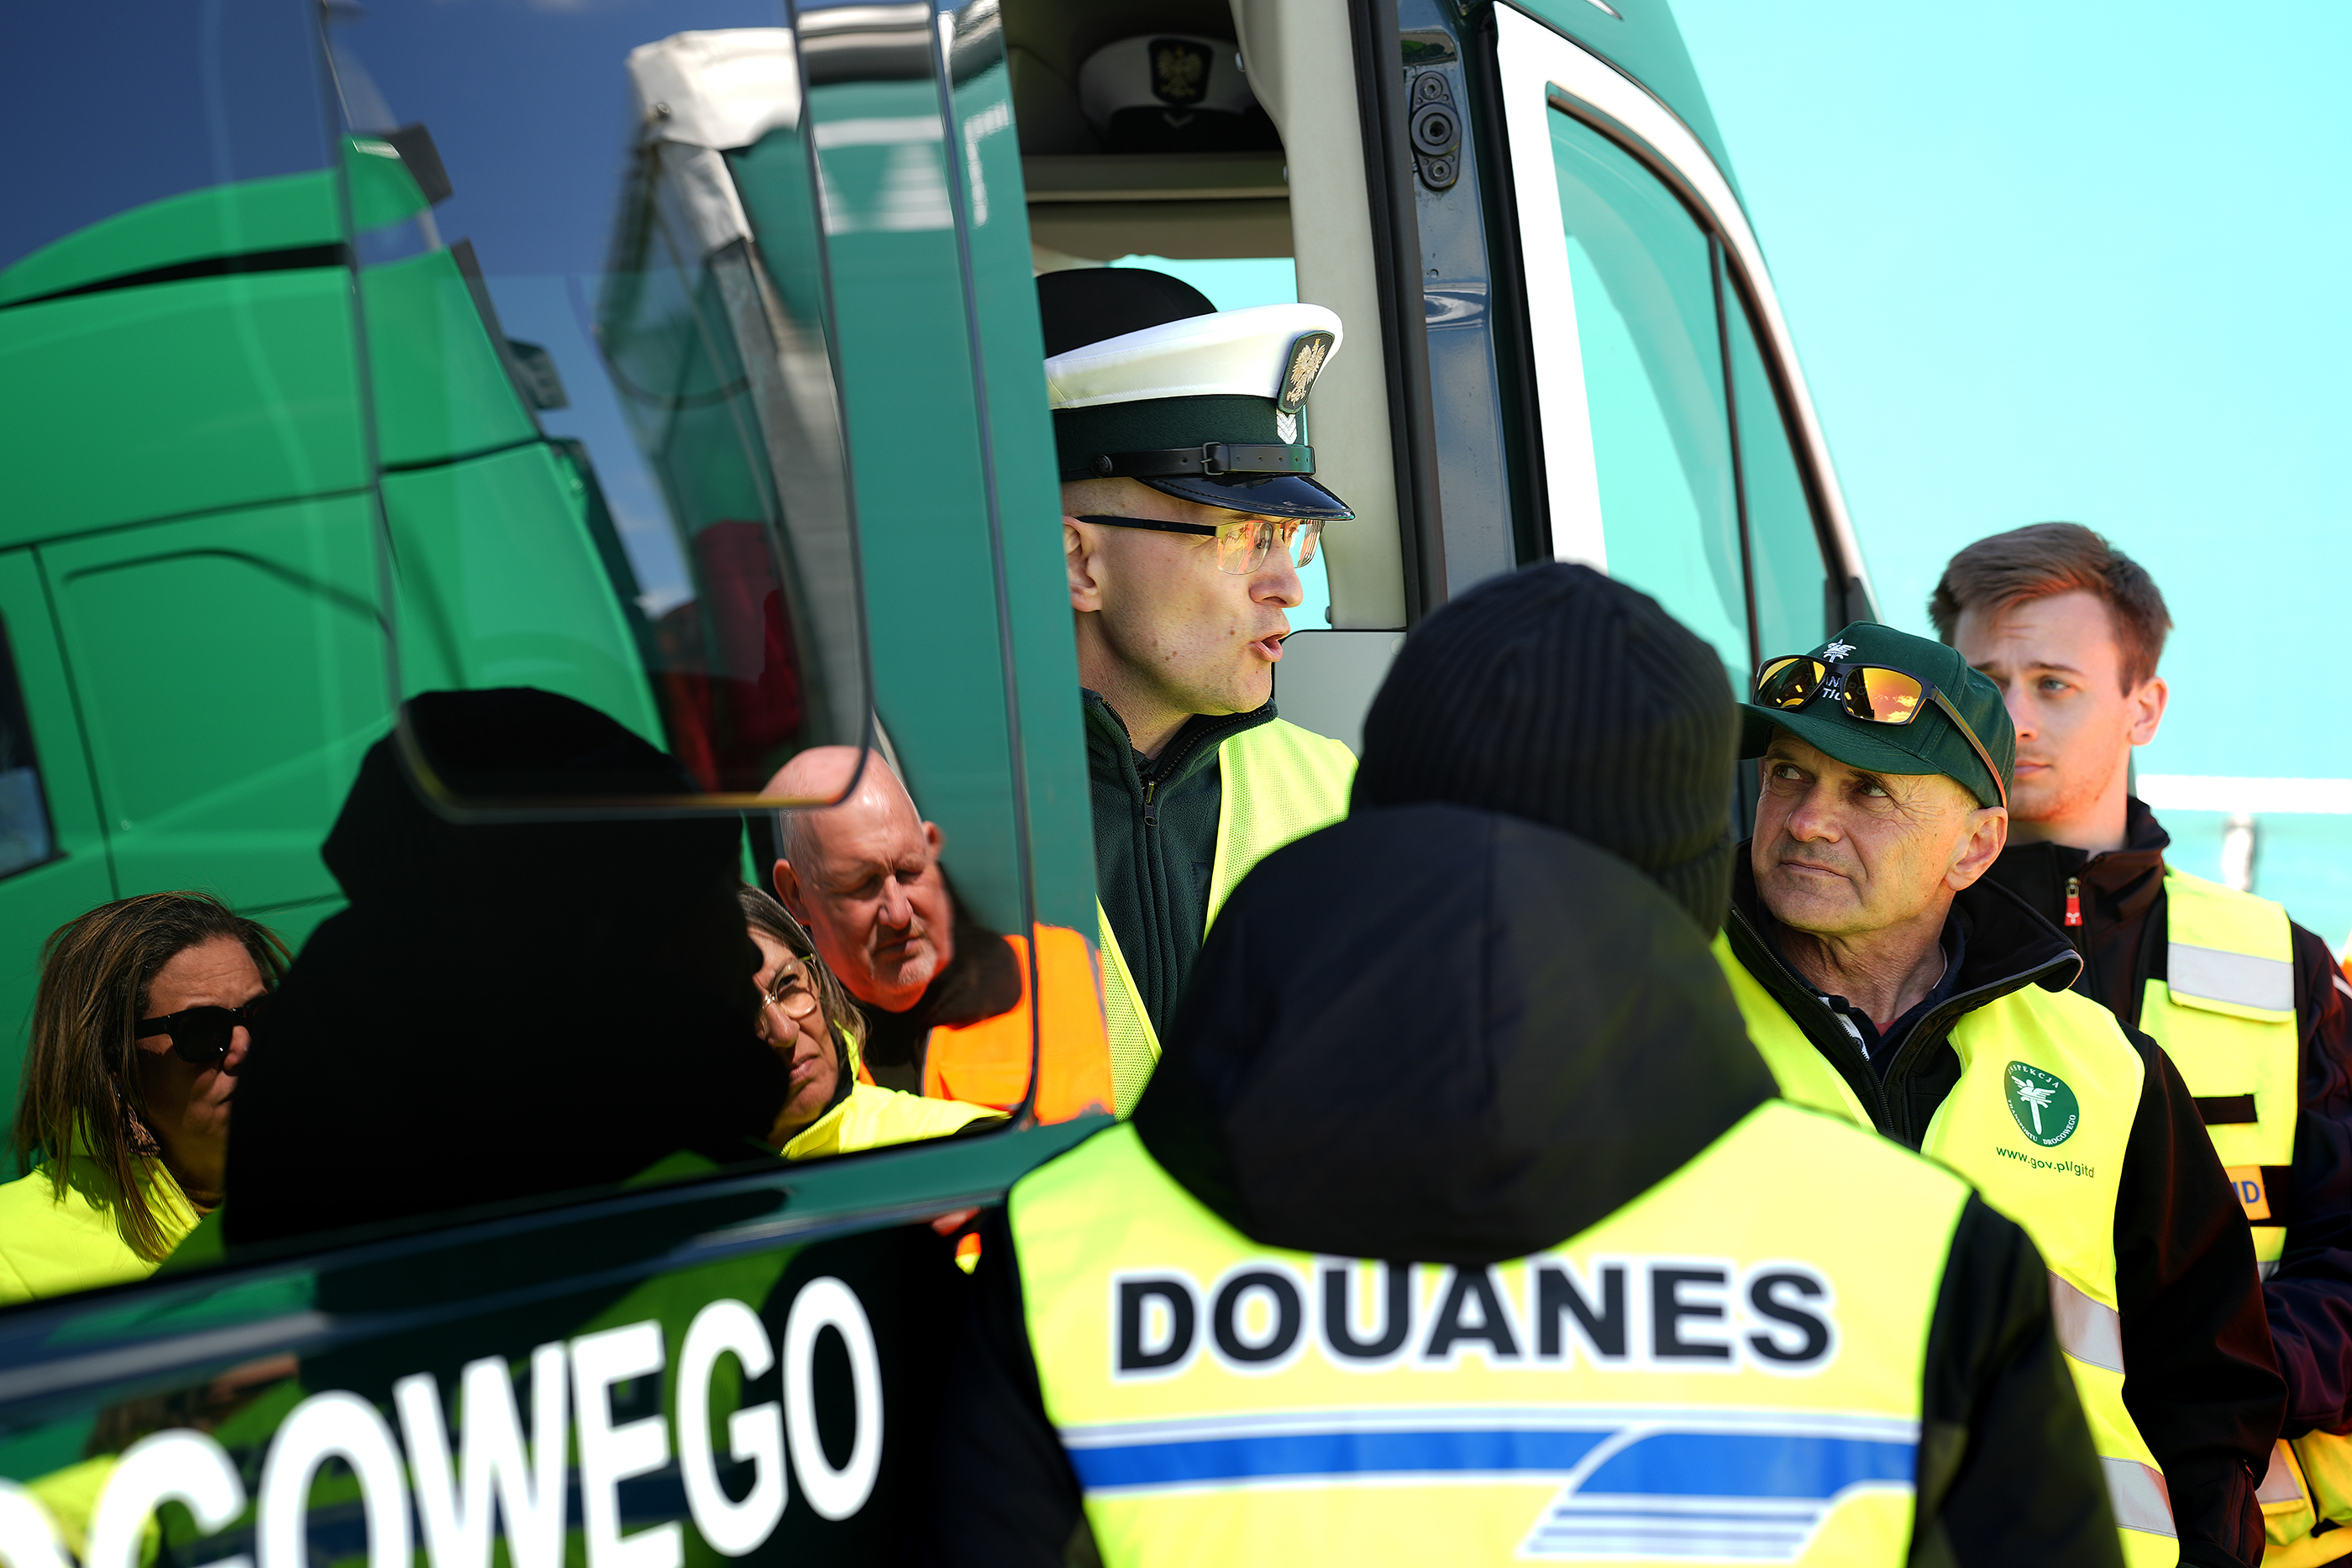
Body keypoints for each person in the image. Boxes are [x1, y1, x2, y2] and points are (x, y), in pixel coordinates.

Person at [927, 565, 2120, 1566]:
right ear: (1689, 879)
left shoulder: (1068, 1248)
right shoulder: (1920, 1263)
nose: (1808, 820)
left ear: (1373, 815)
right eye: (1788, 780)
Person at [1718, 617, 2282, 1567]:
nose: (1807, 820)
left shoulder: (2106, 1070)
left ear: (1976, 846)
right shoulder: (1635, 1017)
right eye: (1787, 774)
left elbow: (2208, 1392)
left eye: (1867, 789)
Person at [1934, 522, 2352, 1550]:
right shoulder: (1884, 948)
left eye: (2053, 684)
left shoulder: (2283, 964)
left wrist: (2212, 1373)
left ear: (2143, 706)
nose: (2012, 718)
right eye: (1984, 682)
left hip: (2252, 1536)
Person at [227, 688, 800, 1243]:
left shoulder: (245, 1255)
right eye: (719, 887)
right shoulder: (736, 1217)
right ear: (626, 936)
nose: (752, 952)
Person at [1044, 267, 1358, 1112]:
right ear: (1078, 563)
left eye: (1292, 536)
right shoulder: (904, 820)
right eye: (1242, 537)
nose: (1288, 586)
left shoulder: (1343, 796)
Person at [769, 747, 1110, 1120]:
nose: (899, 912)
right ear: (796, 895)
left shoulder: (1063, 965)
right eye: (862, 885)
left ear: (931, 847)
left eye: (909, 871)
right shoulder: (793, 1052)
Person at [2, 892, 286, 1301]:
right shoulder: (9, 1250)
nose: (246, 1047)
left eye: (263, 1015)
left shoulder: (351, 1181)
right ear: (112, 1063)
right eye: (201, 1031)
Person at [738, 884, 999, 1159]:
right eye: (742, 1013)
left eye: (788, 984)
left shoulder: (961, 1144)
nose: (784, 1031)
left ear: (817, 978)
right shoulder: (704, 1180)